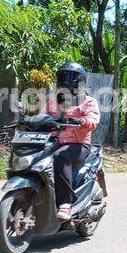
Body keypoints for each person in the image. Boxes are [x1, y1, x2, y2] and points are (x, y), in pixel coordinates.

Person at [44, 62, 100, 221]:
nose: (65, 81)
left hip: (79, 145)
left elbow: (93, 120)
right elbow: (43, 118)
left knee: (61, 156)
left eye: (69, 77)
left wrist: (82, 121)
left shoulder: (88, 102)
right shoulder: (53, 102)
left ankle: (65, 204)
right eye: (62, 77)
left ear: (79, 81)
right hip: (53, 143)